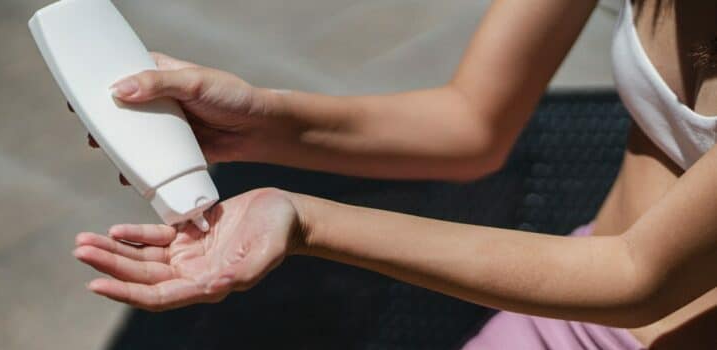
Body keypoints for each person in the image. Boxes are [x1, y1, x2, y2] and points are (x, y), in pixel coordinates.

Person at [72, 0, 717, 348]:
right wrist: (256, 121)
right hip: (565, 318)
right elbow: (474, 123)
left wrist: (304, 219)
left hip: (617, 293)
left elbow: (640, 276)